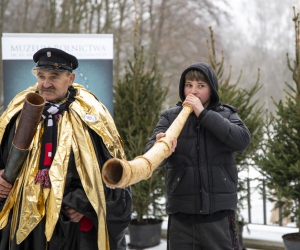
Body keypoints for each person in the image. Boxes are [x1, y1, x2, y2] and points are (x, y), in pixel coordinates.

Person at [0, 48, 131, 250]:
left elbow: (112, 172)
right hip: (25, 225)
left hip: (73, 225)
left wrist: (85, 204)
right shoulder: (18, 110)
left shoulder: (92, 115)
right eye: (41, 76)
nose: (46, 83)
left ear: (70, 79)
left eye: (54, 76)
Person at [145, 62, 251, 250]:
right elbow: (151, 158)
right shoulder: (170, 117)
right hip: (181, 218)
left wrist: (202, 113)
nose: (193, 91)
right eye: (189, 85)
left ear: (212, 89)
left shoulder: (226, 114)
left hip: (218, 216)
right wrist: (159, 145)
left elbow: (242, 141)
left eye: (201, 86)